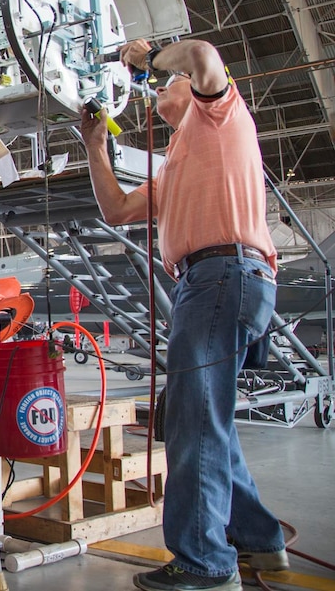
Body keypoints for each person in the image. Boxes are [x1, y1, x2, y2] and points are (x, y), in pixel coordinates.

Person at [79, 39, 287, 591]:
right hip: (212, 281)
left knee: (192, 422)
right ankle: (261, 542)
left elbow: (201, 55)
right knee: (206, 418)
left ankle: (203, 563)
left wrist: (146, 60)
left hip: (223, 275)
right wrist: (93, 144)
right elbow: (117, 209)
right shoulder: (176, 160)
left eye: (164, 84)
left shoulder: (217, 114)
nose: (156, 94)